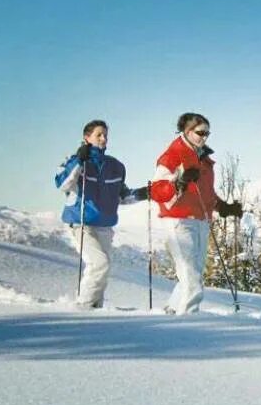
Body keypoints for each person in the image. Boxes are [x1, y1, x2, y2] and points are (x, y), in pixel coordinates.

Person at [149, 113, 242, 314]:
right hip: (178, 219)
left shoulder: (203, 158)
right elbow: (157, 191)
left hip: (201, 220)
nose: (205, 137)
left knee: (194, 271)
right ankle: (189, 317)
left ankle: (173, 309)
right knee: (189, 272)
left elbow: (206, 192)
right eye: (201, 133)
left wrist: (224, 207)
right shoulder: (173, 155)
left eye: (208, 133)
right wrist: (179, 182)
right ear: (187, 131)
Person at [54, 119, 149, 308]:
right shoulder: (73, 161)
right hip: (80, 223)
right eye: (99, 135)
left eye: (105, 135)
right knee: (99, 264)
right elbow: (62, 184)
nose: (103, 138)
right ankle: (82, 307)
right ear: (86, 137)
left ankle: (96, 310)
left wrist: (143, 194)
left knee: (102, 271)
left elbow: (122, 196)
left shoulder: (115, 166)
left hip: (105, 225)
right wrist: (80, 160)